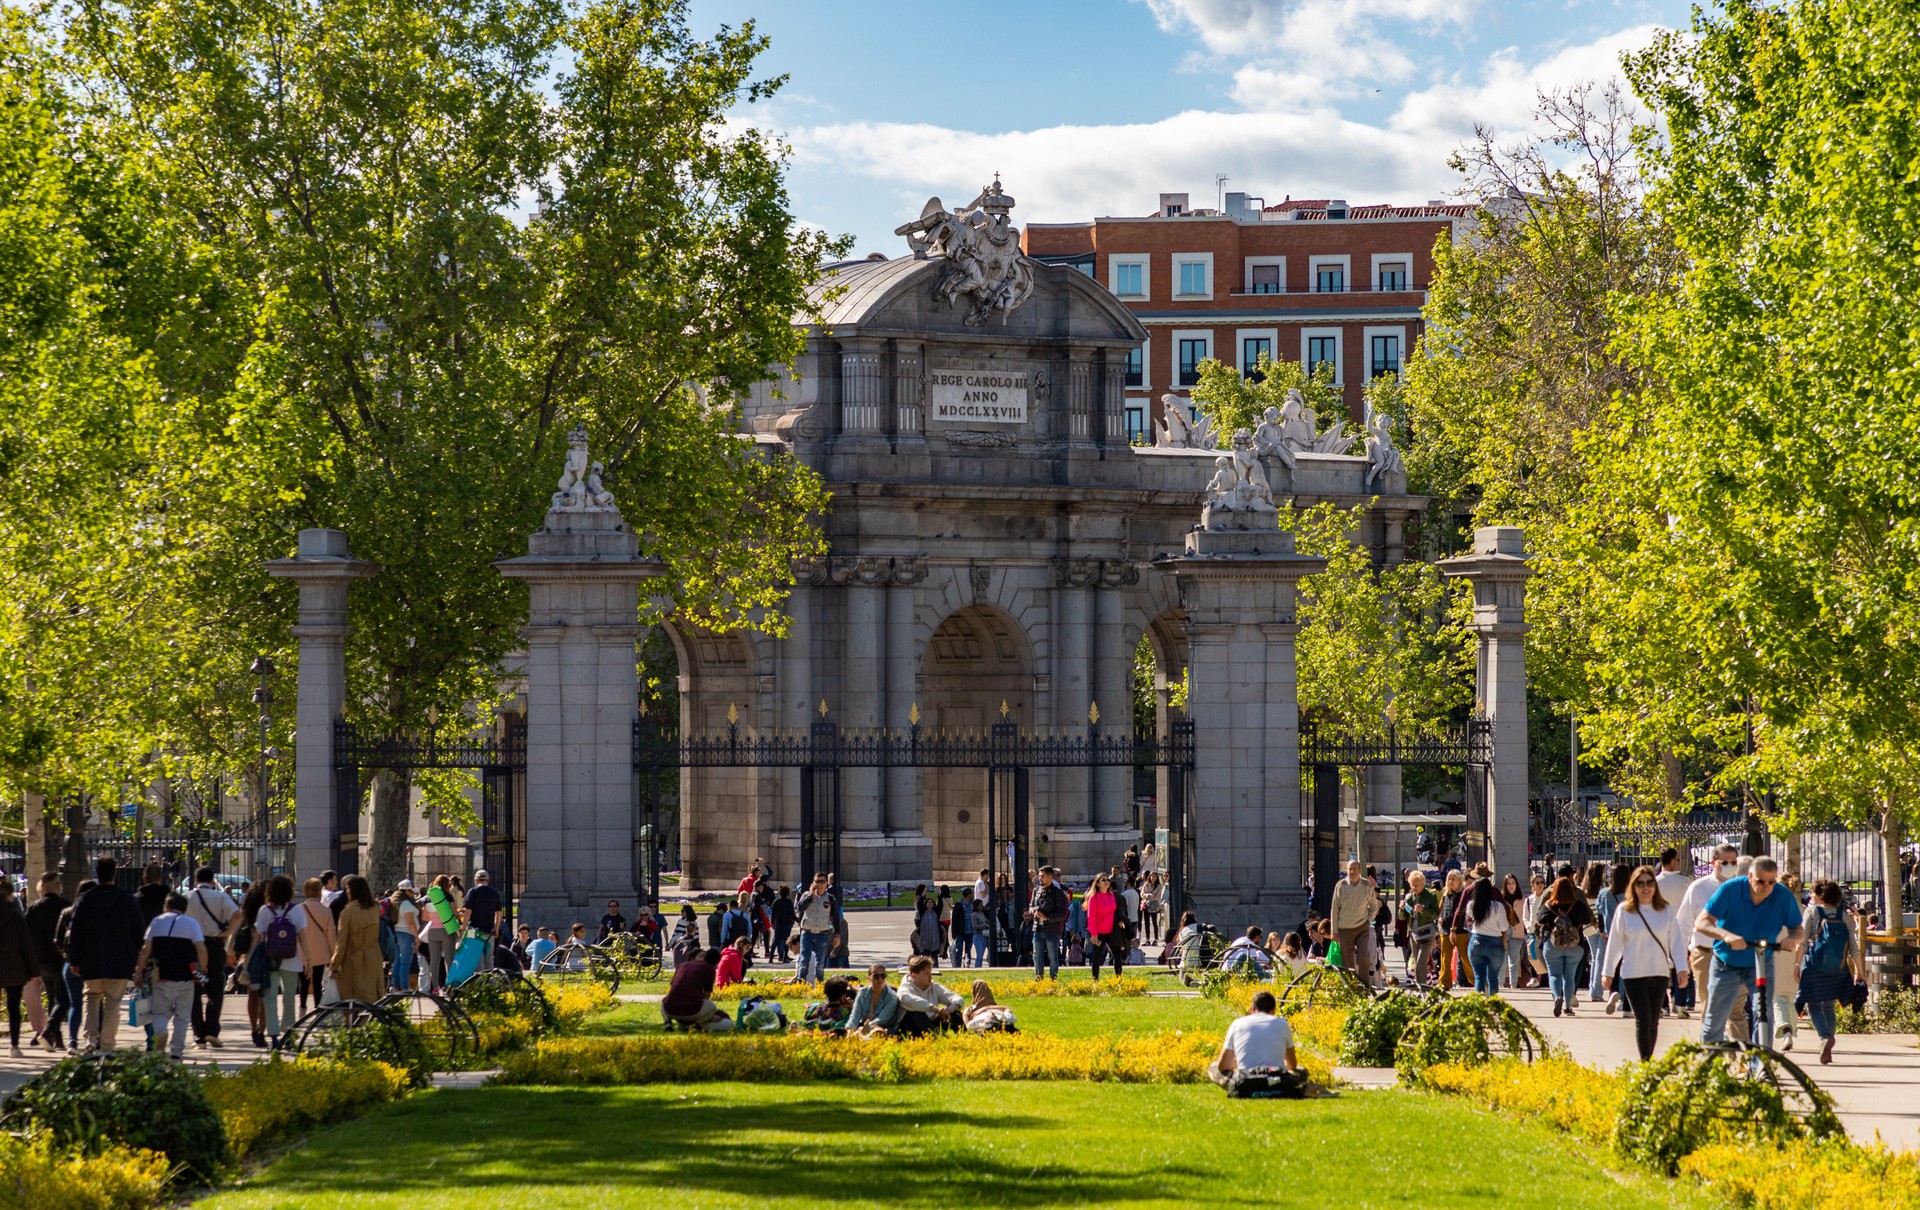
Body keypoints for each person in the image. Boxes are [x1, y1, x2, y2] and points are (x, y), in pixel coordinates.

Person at [1696, 855, 1804, 1048]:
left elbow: (1798, 929)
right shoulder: (1730, 890)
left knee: (1763, 1013)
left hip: (1761, 961)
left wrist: (1791, 939)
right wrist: (1725, 935)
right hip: (1726, 962)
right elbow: (1702, 922)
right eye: (1760, 881)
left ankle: (1760, 1065)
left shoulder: (1782, 895)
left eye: (1771, 882)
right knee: (1716, 1016)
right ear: (1750, 877)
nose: (1766, 887)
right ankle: (1711, 1066)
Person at [1600, 865, 1690, 1061]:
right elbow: (1615, 943)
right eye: (1640, 884)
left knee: (1654, 1020)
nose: (1646, 887)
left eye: (1650, 883)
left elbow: (1675, 942)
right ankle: (1646, 1063)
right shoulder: (1624, 911)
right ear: (1634, 886)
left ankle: (1648, 1060)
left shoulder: (1665, 910)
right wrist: (1607, 972)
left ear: (1655, 886)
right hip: (1633, 973)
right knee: (1643, 1019)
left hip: (1658, 972)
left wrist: (1682, 969)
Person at [66, 858, 146, 1052]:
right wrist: (139, 960)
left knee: (92, 998)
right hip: (119, 960)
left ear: (97, 873)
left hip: (91, 959)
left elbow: (75, 932)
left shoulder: (85, 900)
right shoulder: (126, 899)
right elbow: (139, 930)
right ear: (115, 873)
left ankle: (91, 1039)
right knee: (113, 1002)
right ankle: (108, 1043)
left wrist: (75, 959)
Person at [129, 891, 207, 1061]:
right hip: (185, 977)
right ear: (184, 908)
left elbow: (145, 951)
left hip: (161, 976)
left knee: (159, 1012)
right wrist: (203, 971)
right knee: (183, 1016)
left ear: (167, 906)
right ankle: (176, 1051)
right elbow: (201, 950)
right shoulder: (191, 924)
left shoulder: (157, 922)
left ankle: (161, 1031)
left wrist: (138, 972)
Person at [1674, 844, 1741, 1027]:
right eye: (1724, 862)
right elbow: (1684, 925)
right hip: (1706, 954)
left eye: (1733, 862)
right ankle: (1711, 1049)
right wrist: (1681, 963)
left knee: (1736, 1008)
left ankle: (1735, 1050)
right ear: (1713, 862)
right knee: (1710, 1005)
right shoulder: (1698, 888)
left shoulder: (1743, 887)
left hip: (1736, 954)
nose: (1729, 866)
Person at [1799, 879, 1863, 1066]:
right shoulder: (1844, 916)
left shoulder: (1811, 912)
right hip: (1838, 968)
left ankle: (1824, 1037)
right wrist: (1860, 972)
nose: (1810, 896)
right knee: (1828, 1006)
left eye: (1812, 893)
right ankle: (1829, 1043)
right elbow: (1853, 947)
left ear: (1820, 895)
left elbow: (1804, 942)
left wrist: (1796, 965)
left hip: (1815, 966)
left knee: (1814, 1005)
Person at [1207, 990, 1308, 1094]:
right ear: (1273, 1010)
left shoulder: (1237, 1023)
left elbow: (1223, 1066)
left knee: (1214, 1068)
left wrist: (1238, 1063)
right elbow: (1292, 1065)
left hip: (1245, 1079)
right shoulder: (1282, 1024)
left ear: (1251, 1009)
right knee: (1301, 1070)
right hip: (1277, 1079)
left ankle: (1238, 1086)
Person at [254, 874, 312, 1049]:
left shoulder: (265, 910)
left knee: (270, 998)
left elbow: (258, 937)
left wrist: (251, 959)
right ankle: (289, 1034)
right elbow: (302, 938)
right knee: (289, 998)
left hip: (269, 960)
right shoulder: (295, 911)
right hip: (291, 959)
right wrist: (308, 961)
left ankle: (273, 1036)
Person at [182, 867, 234, 1048]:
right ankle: (212, 1030)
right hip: (214, 946)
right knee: (215, 988)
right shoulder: (221, 897)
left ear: (195, 879)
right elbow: (237, 914)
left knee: (195, 989)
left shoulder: (187, 897)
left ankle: (198, 1034)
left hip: (193, 948)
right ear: (212, 880)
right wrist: (227, 933)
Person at [1533, 875, 1594, 1017]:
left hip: (1553, 944)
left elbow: (1539, 920)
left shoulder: (1549, 905)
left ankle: (1557, 996)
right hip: (1575, 945)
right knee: (1570, 976)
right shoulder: (1578, 905)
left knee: (1554, 974)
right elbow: (1587, 919)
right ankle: (1567, 1006)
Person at [24, 873, 71, 1053]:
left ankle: (54, 1036)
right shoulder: (65, 906)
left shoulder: (33, 908)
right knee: (62, 999)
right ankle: (51, 1032)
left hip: (41, 960)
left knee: (53, 997)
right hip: (60, 958)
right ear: (57, 885)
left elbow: (26, 935)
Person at [0, 879, 41, 1057]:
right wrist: (34, 971)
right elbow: (26, 945)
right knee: (13, 1007)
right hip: (13, 967)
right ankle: (14, 1046)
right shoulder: (15, 915)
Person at [330, 876, 384, 1004]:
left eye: (348, 889)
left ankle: (353, 1023)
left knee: (352, 999)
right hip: (373, 956)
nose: (347, 892)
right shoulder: (375, 908)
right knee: (372, 997)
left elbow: (341, 942)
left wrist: (334, 965)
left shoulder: (347, 913)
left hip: (353, 960)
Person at [228, 882, 268, 1048]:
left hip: (250, 958)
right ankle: (261, 1032)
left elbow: (235, 931)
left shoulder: (248, 912)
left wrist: (231, 952)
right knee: (266, 996)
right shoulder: (268, 911)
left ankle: (254, 1028)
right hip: (267, 956)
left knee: (253, 995)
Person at [660, 947, 732, 1032]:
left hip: (670, 1009)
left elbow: (673, 987)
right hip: (691, 1010)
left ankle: (668, 1022)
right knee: (712, 1006)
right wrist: (710, 1016)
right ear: (717, 963)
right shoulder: (709, 969)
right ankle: (696, 1024)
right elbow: (706, 995)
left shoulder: (682, 965)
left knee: (665, 1001)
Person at [1466, 874, 1512, 995]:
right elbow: (1504, 927)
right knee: (1493, 978)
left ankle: (1480, 1005)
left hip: (1476, 940)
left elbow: (1470, 918)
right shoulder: (1498, 906)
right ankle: (1493, 1004)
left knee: (1479, 977)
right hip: (1495, 943)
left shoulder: (1471, 905)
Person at [1590, 864, 1628, 1007]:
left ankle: (1610, 991)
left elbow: (1599, 913)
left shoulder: (1604, 893)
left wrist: (1601, 929)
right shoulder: (1629, 894)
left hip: (1608, 934)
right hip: (1626, 934)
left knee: (1608, 963)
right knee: (1624, 966)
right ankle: (1623, 996)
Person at [296, 877, 336, 1013]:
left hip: (302, 952)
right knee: (317, 982)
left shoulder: (298, 909)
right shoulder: (326, 911)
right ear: (319, 892)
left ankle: (302, 1007)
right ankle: (318, 1009)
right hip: (320, 951)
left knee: (304, 983)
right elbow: (331, 935)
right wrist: (333, 954)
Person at [896, 955, 962, 1036]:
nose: (930, 975)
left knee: (955, 1013)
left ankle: (965, 1036)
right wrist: (934, 1009)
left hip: (931, 1022)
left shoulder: (933, 986)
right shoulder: (905, 987)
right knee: (917, 1012)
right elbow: (906, 998)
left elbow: (958, 999)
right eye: (926, 973)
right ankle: (938, 1036)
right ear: (914, 976)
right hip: (911, 1028)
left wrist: (950, 1009)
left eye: (930, 971)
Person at [1027, 866, 1070, 980]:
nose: (1040, 879)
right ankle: (1039, 978)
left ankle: (1053, 979)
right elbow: (1031, 906)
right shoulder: (1037, 890)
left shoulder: (1058, 893)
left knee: (1052, 956)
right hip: (1038, 928)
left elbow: (1063, 914)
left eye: (1043, 876)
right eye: (1039, 876)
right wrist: (1033, 911)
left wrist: (1047, 918)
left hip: (1052, 930)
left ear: (1050, 877)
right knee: (1037, 955)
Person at [794, 873, 836, 984]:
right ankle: (800, 984)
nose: (819, 884)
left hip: (822, 934)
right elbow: (799, 908)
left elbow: (836, 918)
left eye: (822, 882)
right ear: (813, 883)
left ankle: (819, 984)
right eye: (817, 881)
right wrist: (810, 896)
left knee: (820, 963)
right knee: (804, 961)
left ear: (826, 883)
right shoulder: (807, 895)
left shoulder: (830, 899)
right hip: (807, 933)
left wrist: (838, 935)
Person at [1084, 873, 1127, 980]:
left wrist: (1120, 920)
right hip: (1099, 933)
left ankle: (1119, 979)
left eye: (1107, 879)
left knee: (1117, 956)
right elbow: (1091, 917)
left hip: (1112, 931)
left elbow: (1115, 911)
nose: (1106, 881)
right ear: (1098, 884)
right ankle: (1095, 980)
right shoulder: (1093, 898)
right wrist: (1094, 934)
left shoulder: (1111, 896)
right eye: (1103, 880)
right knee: (1097, 958)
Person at [423, 875, 460, 991]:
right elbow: (455, 913)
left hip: (432, 932)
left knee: (434, 961)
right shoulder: (448, 897)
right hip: (446, 930)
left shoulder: (428, 898)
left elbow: (424, 917)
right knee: (449, 960)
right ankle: (450, 987)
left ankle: (435, 988)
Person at [463, 870, 502, 971]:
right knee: (489, 958)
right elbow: (499, 913)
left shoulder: (472, 892)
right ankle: (490, 982)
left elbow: (468, 912)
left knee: (476, 957)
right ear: (487, 880)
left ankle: (479, 982)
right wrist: (496, 928)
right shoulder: (494, 893)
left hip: (474, 930)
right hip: (489, 931)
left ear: (476, 880)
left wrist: (463, 928)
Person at [848, 963, 901, 1035]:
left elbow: (882, 1020)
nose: (880, 979)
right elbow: (855, 1015)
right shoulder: (862, 993)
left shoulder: (892, 997)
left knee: (876, 1031)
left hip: (884, 1029)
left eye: (883, 976)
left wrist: (864, 1028)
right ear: (869, 978)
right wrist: (850, 1031)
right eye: (876, 976)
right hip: (863, 1027)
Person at [389, 882, 420, 990]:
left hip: (397, 933)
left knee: (398, 961)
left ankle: (396, 986)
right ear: (406, 891)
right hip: (407, 934)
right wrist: (417, 937)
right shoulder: (406, 904)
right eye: (411, 891)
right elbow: (410, 923)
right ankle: (404, 988)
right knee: (405, 963)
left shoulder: (395, 901)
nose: (412, 894)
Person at [770, 885, 796, 964]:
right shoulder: (789, 902)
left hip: (778, 923)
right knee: (786, 941)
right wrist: (798, 920)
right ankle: (785, 958)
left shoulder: (776, 901)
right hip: (787, 923)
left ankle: (771, 957)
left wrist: (773, 923)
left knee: (776, 940)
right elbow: (792, 914)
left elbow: (773, 914)